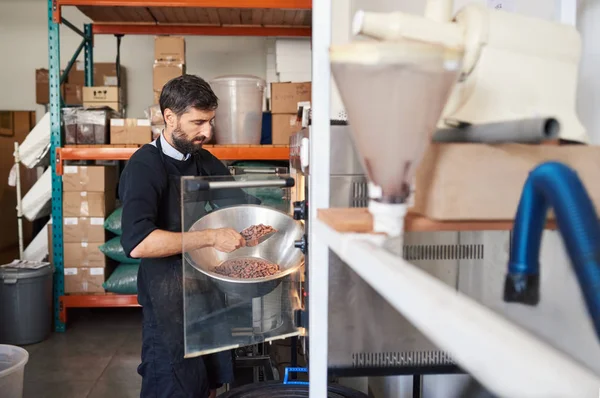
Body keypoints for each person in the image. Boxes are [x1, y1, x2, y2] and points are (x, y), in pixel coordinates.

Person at [119, 75, 246, 398]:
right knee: (174, 383)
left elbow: (242, 204)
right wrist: (211, 237)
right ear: (169, 116)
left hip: (206, 291)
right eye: (198, 122)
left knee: (209, 383)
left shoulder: (201, 159)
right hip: (168, 301)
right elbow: (139, 243)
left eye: (211, 121)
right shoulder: (144, 166)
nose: (207, 132)